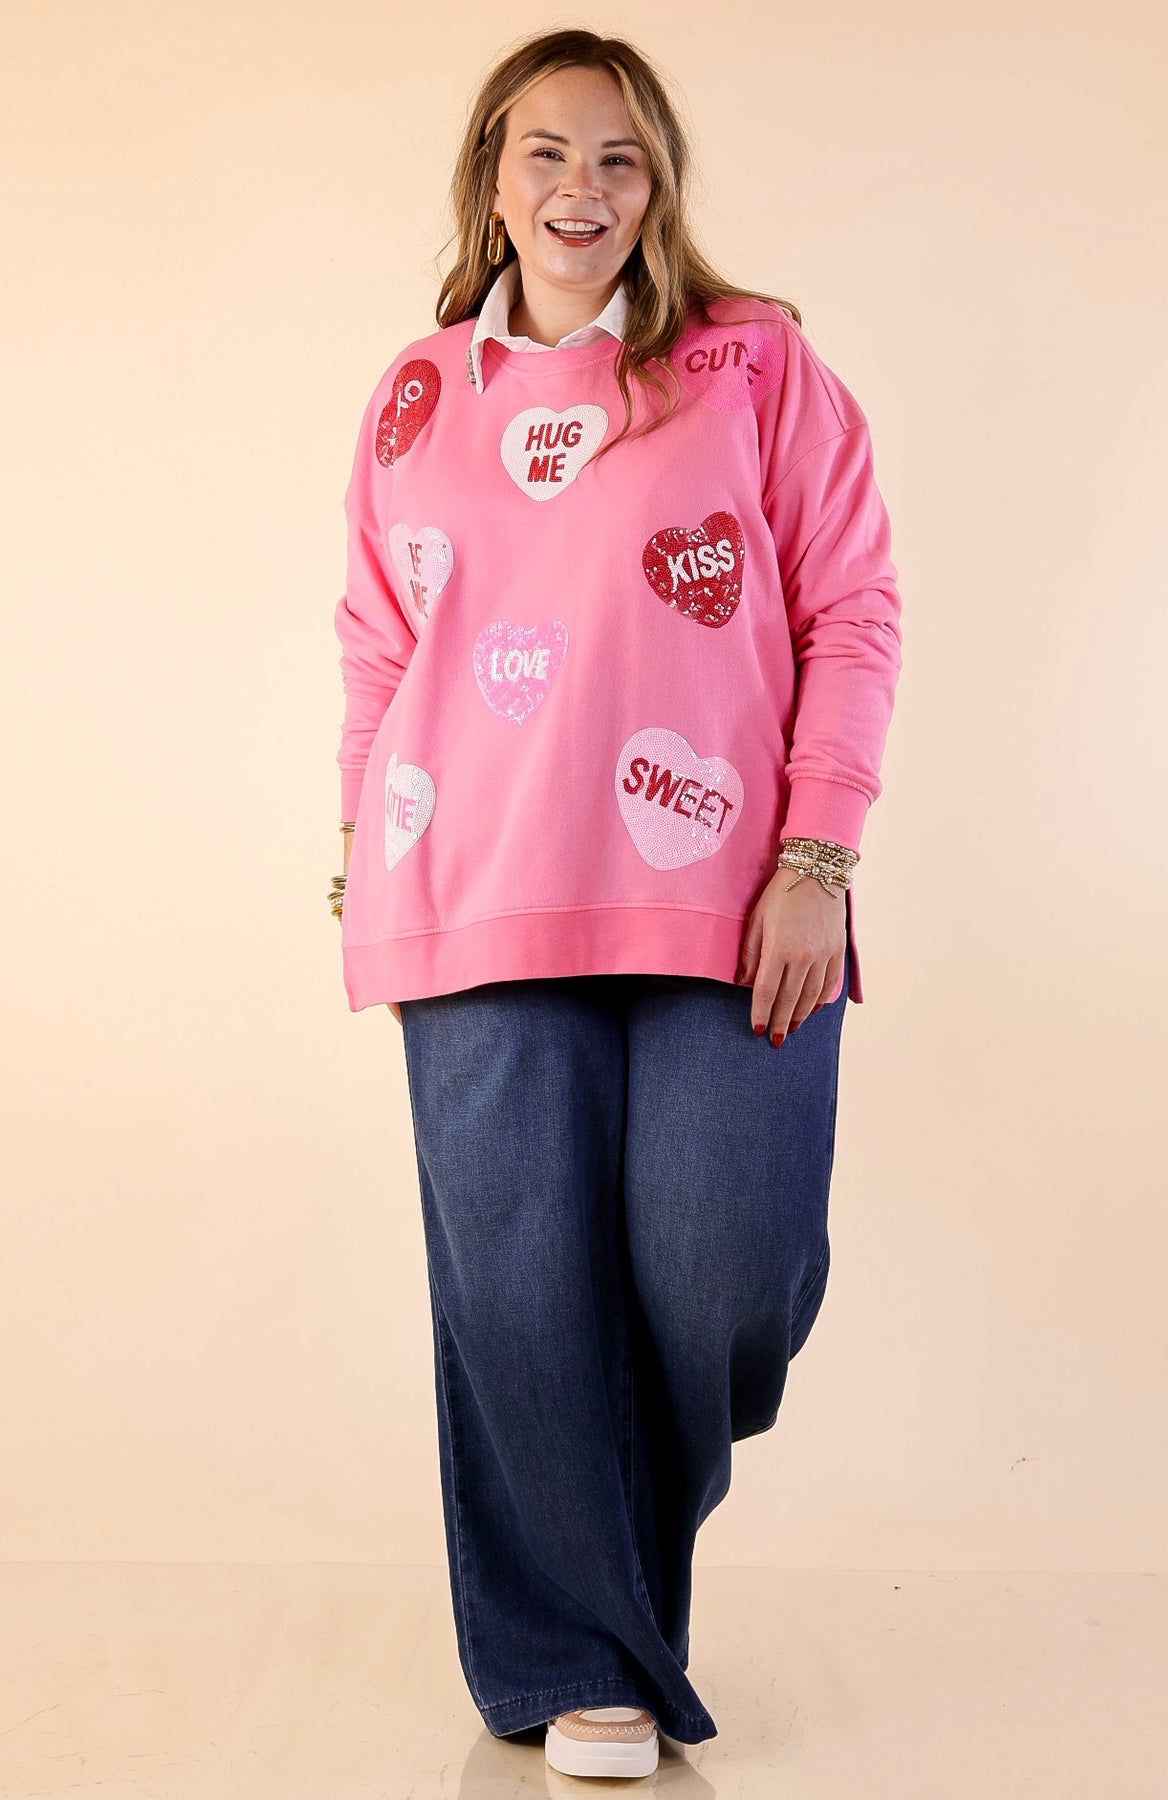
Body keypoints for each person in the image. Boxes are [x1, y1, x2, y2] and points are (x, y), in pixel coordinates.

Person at [329, 27, 903, 1781]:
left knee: (722, 1260)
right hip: (471, 887)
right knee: (520, 1293)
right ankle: (588, 1659)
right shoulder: (417, 392)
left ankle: (603, 1571)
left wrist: (817, 859)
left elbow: (852, 609)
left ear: (659, 185)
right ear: (492, 180)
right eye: (547, 154)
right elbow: (377, 642)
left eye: (619, 157)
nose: (582, 189)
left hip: (727, 897)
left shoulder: (753, 363)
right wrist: (361, 850)